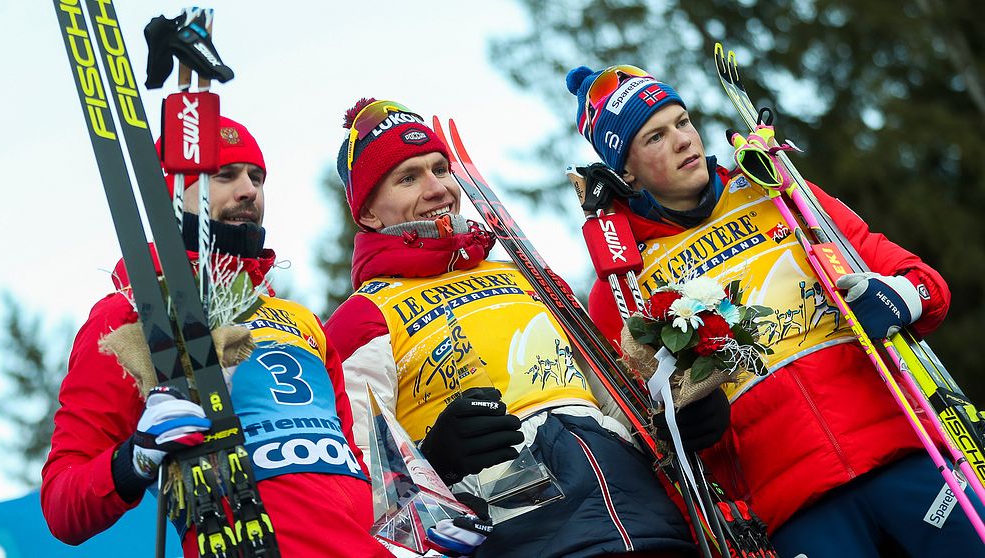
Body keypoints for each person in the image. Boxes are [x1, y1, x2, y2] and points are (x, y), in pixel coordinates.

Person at [566, 64, 984, 556]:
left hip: (907, 450)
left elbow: (922, 281)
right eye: (655, 136)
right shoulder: (624, 281)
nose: (682, 140)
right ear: (626, 168)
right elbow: (653, 430)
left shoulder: (778, 192)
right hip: (794, 504)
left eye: (682, 121)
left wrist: (899, 297)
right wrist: (689, 428)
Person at [324, 97, 713, 558]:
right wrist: (434, 461)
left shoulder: (527, 276)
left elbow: (615, 398)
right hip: (527, 541)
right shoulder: (363, 316)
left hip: (647, 521)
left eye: (441, 169)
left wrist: (678, 416)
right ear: (368, 212)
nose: (437, 189)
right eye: (408, 178)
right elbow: (362, 484)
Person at [41, 116, 392, 557]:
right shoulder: (128, 315)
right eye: (224, 176)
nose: (249, 190)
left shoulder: (301, 320)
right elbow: (61, 504)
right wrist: (135, 458)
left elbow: (357, 469)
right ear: (171, 194)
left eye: (257, 177)